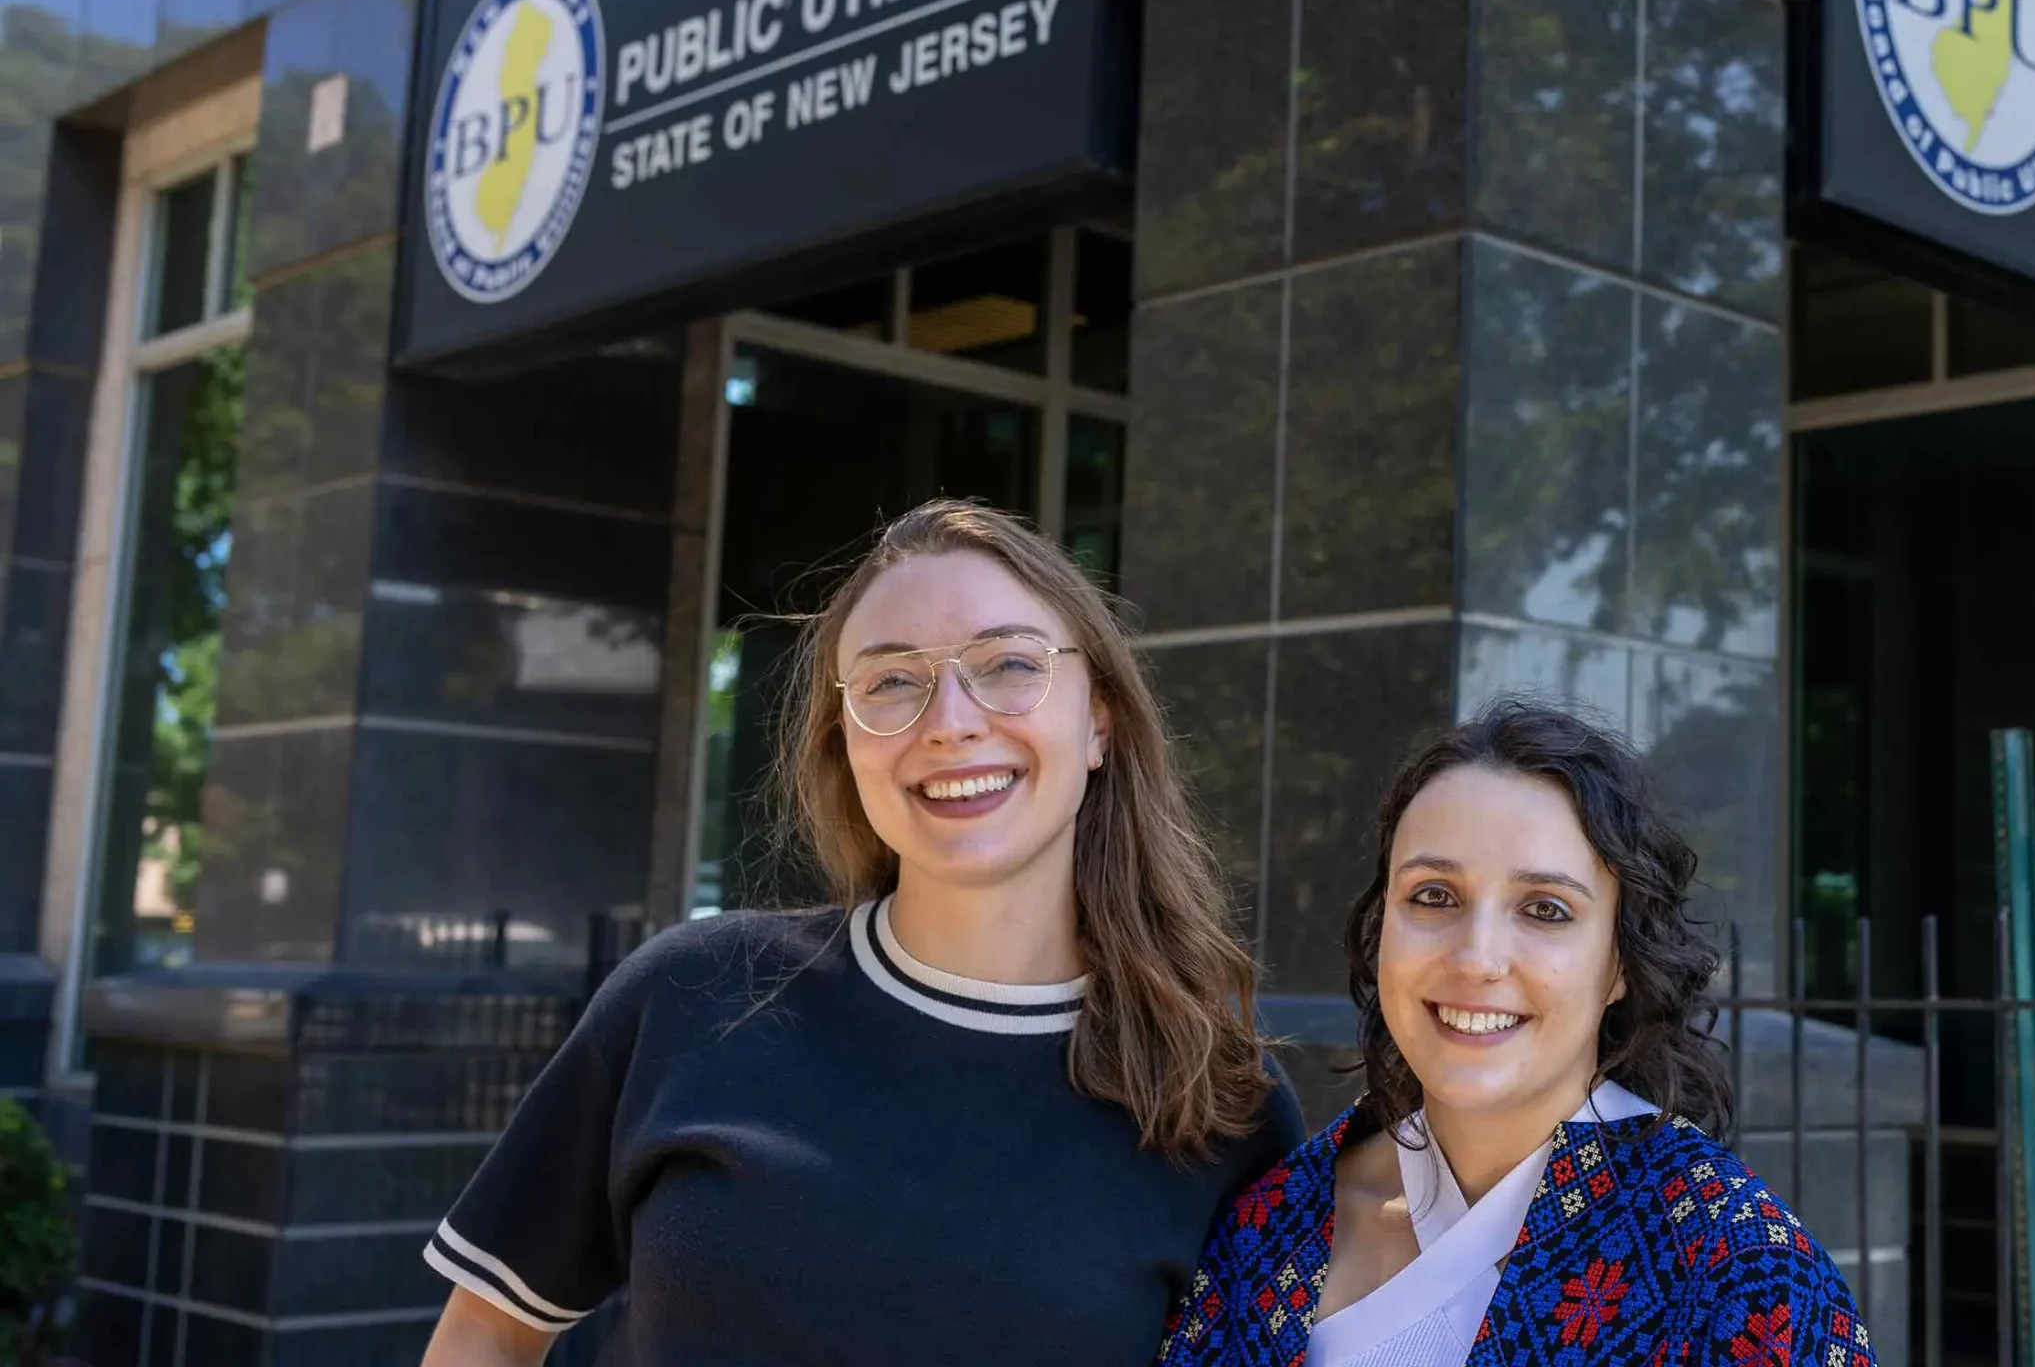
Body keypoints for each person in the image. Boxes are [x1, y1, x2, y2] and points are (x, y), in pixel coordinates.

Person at [419, 499, 1303, 1367]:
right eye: (891, 682)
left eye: (1006, 664)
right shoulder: (692, 995)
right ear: (844, 739)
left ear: (1099, 720)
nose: (951, 722)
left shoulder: (1220, 1097)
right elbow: (487, 1332)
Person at [1161, 701, 1869, 1367]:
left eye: (1546, 910)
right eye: (1433, 896)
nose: (1477, 958)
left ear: (1622, 961)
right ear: (1381, 931)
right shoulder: (1266, 1229)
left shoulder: (1741, 1269)